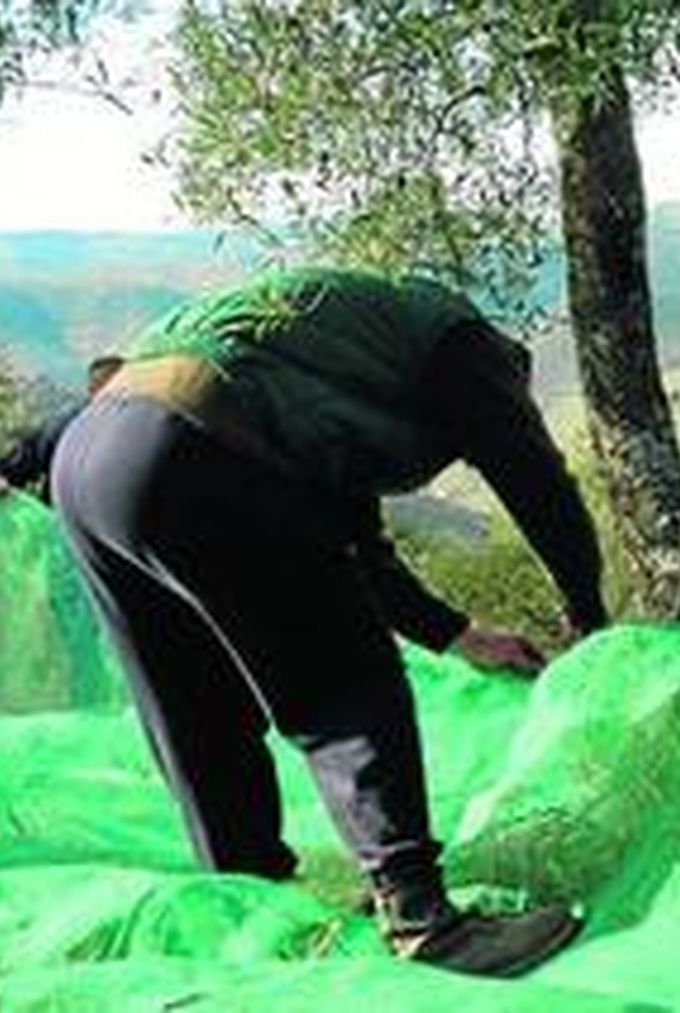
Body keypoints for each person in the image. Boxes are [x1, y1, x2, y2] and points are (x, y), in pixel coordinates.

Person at [49, 266, 607, 977]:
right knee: (347, 681)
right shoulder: (468, 348)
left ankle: (248, 907)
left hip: (89, 465)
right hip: (201, 446)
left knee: (194, 707)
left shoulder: (339, 358)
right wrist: (591, 616)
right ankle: (421, 918)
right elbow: (535, 478)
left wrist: (457, 633)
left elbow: (356, 546)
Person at [0, 354, 125, 501]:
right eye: (112, 388)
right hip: (64, 518)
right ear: (93, 390)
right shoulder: (67, 427)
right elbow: (29, 452)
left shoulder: (139, 428)